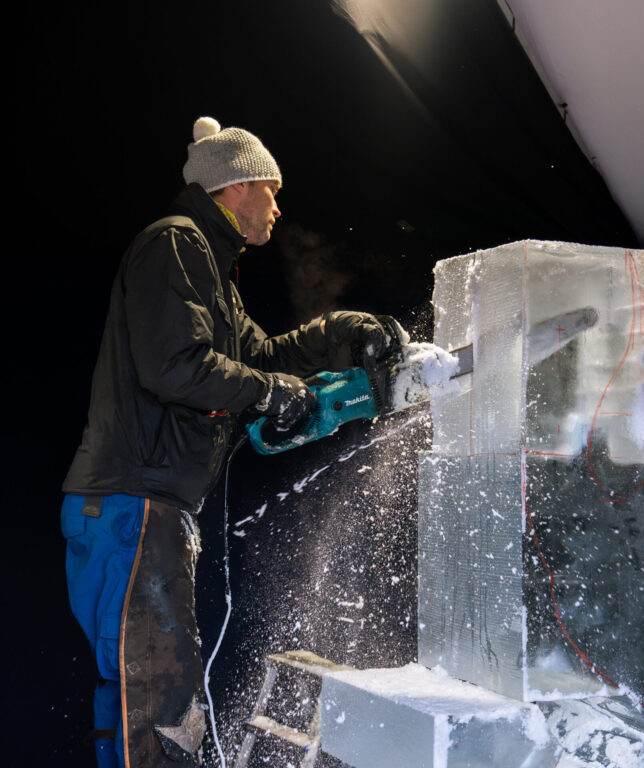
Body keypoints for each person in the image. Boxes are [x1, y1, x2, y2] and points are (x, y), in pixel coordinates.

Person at [61, 116, 402, 767]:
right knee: (162, 703)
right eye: (271, 191)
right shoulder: (175, 244)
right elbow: (174, 365)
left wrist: (342, 331)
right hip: (135, 504)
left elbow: (264, 353)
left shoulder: (210, 271)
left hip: (140, 508)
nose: (278, 207)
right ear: (236, 185)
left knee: (135, 694)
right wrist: (270, 393)